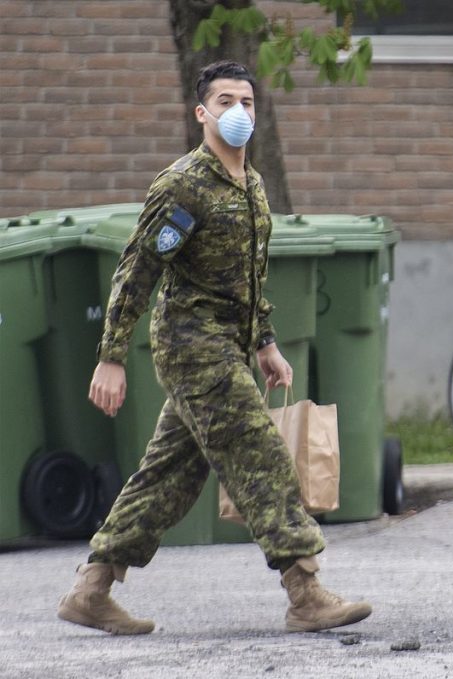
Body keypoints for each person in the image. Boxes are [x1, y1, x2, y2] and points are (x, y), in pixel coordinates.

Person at [57, 61, 371, 634]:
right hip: (191, 346)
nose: (239, 113)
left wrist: (266, 342)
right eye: (225, 101)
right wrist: (112, 355)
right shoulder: (184, 185)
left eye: (247, 102)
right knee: (260, 454)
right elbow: (138, 270)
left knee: (169, 476)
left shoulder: (250, 183)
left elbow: (246, 277)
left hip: (227, 343)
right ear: (201, 113)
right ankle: (305, 591)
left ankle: (91, 587)